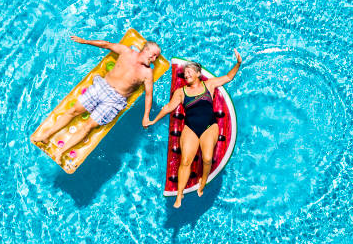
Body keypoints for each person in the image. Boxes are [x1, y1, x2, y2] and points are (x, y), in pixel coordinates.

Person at [31, 35, 161, 163]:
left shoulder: (147, 73)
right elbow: (106, 44)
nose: (154, 59)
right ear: (146, 49)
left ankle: (60, 152)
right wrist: (85, 41)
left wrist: (146, 116)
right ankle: (45, 136)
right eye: (154, 55)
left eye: (156, 57)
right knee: (73, 111)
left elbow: (149, 94)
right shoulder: (127, 51)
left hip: (115, 101)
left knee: (88, 126)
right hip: (102, 87)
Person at [147, 50, 241, 208]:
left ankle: (203, 181)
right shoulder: (181, 92)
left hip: (210, 126)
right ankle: (179, 194)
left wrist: (238, 63)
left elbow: (228, 77)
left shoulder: (208, 85)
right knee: (185, 161)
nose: (186, 75)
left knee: (207, 158)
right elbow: (169, 108)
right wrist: (153, 120)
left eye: (190, 72)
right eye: (185, 73)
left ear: (198, 74)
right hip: (190, 128)